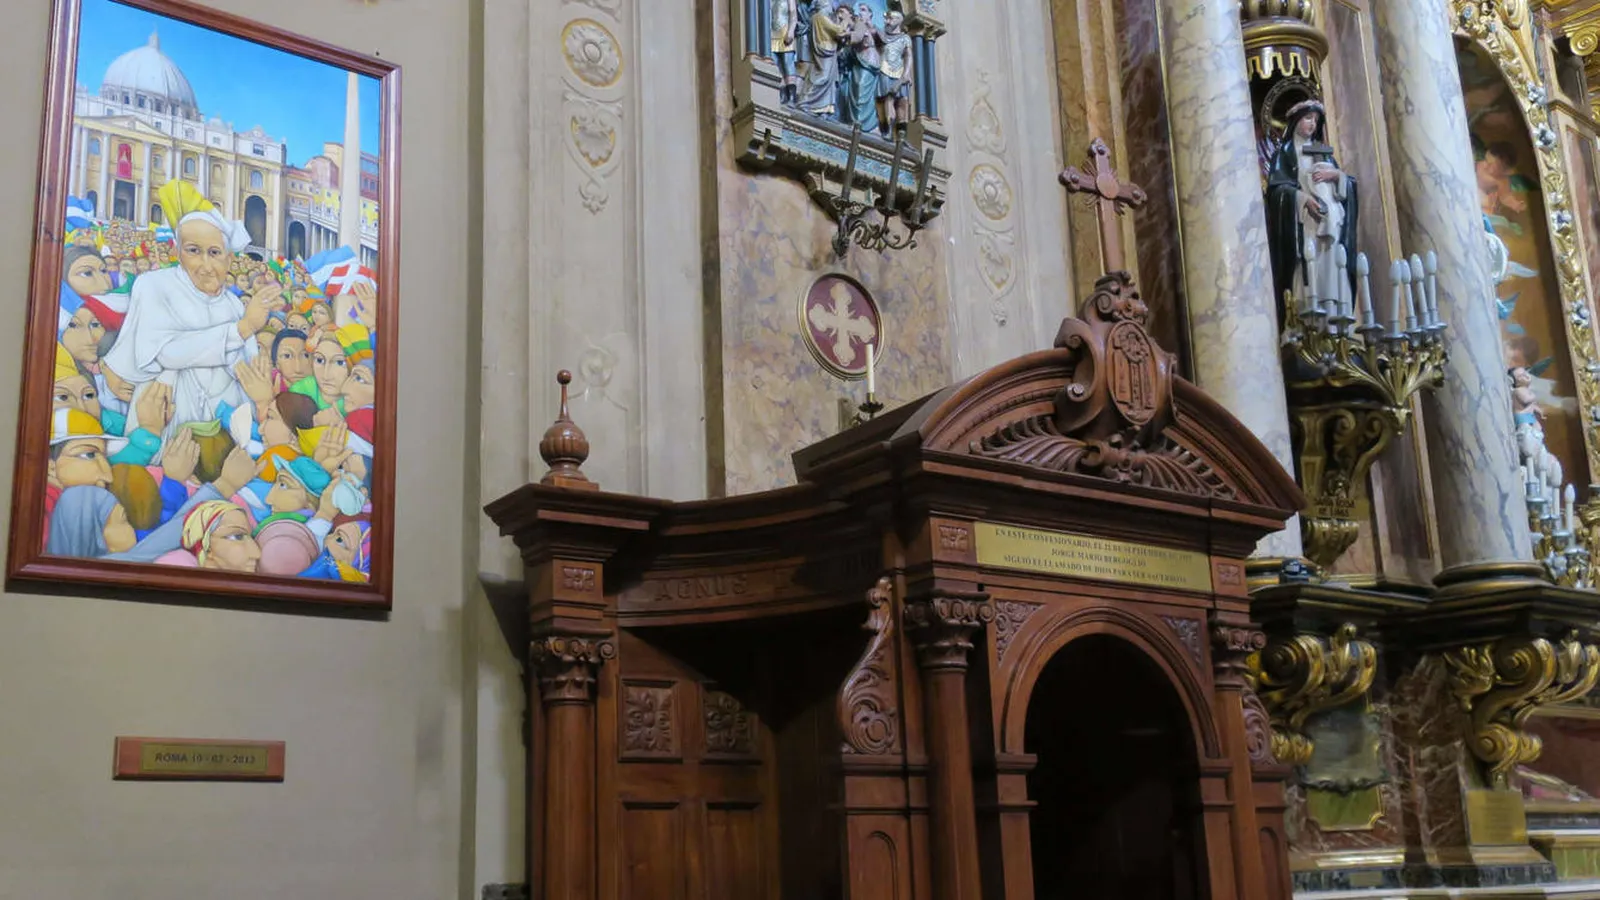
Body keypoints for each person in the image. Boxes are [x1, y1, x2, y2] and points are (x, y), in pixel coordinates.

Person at [101, 181, 284, 453]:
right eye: (194, 251)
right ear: (178, 252)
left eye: (214, 253)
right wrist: (243, 328)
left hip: (223, 432)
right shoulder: (153, 285)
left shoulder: (234, 304)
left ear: (229, 259)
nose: (206, 266)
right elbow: (166, 353)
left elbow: (245, 372)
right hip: (165, 423)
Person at [1265, 99, 1359, 322]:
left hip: (1331, 225)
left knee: (1333, 274)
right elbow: (1277, 192)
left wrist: (1337, 176)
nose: (1312, 124)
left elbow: (1349, 188)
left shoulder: (1324, 154)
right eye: (1308, 118)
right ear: (1296, 121)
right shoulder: (1285, 154)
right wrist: (1302, 199)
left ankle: (1335, 325)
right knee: (1309, 272)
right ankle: (1310, 327)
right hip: (1305, 225)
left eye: (1316, 120)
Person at [796, 0, 848, 119]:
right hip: (825, 50)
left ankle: (823, 108)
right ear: (824, 5)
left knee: (827, 79)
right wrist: (845, 20)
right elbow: (839, 31)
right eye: (830, 6)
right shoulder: (821, 17)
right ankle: (804, 102)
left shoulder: (818, 17)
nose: (832, 9)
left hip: (826, 49)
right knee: (822, 77)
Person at [839, 5, 881, 133]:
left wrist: (847, 33)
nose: (860, 12)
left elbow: (860, 37)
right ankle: (853, 121)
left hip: (868, 61)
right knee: (853, 90)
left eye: (863, 10)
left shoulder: (870, 28)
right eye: (859, 10)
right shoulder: (857, 25)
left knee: (861, 88)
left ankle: (863, 123)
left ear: (870, 14)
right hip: (857, 62)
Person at [876, 11, 914, 137]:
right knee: (888, 100)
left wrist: (906, 74)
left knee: (902, 103)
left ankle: (900, 135)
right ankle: (887, 132)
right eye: (886, 19)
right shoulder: (882, 35)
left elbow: (908, 56)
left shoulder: (905, 38)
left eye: (890, 19)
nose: (887, 22)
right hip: (884, 71)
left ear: (898, 20)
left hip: (899, 72)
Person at [772, 0, 799, 106]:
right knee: (775, 64)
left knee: (788, 63)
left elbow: (793, 14)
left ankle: (791, 96)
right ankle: (781, 93)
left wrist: (791, 31)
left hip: (785, 32)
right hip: (773, 34)